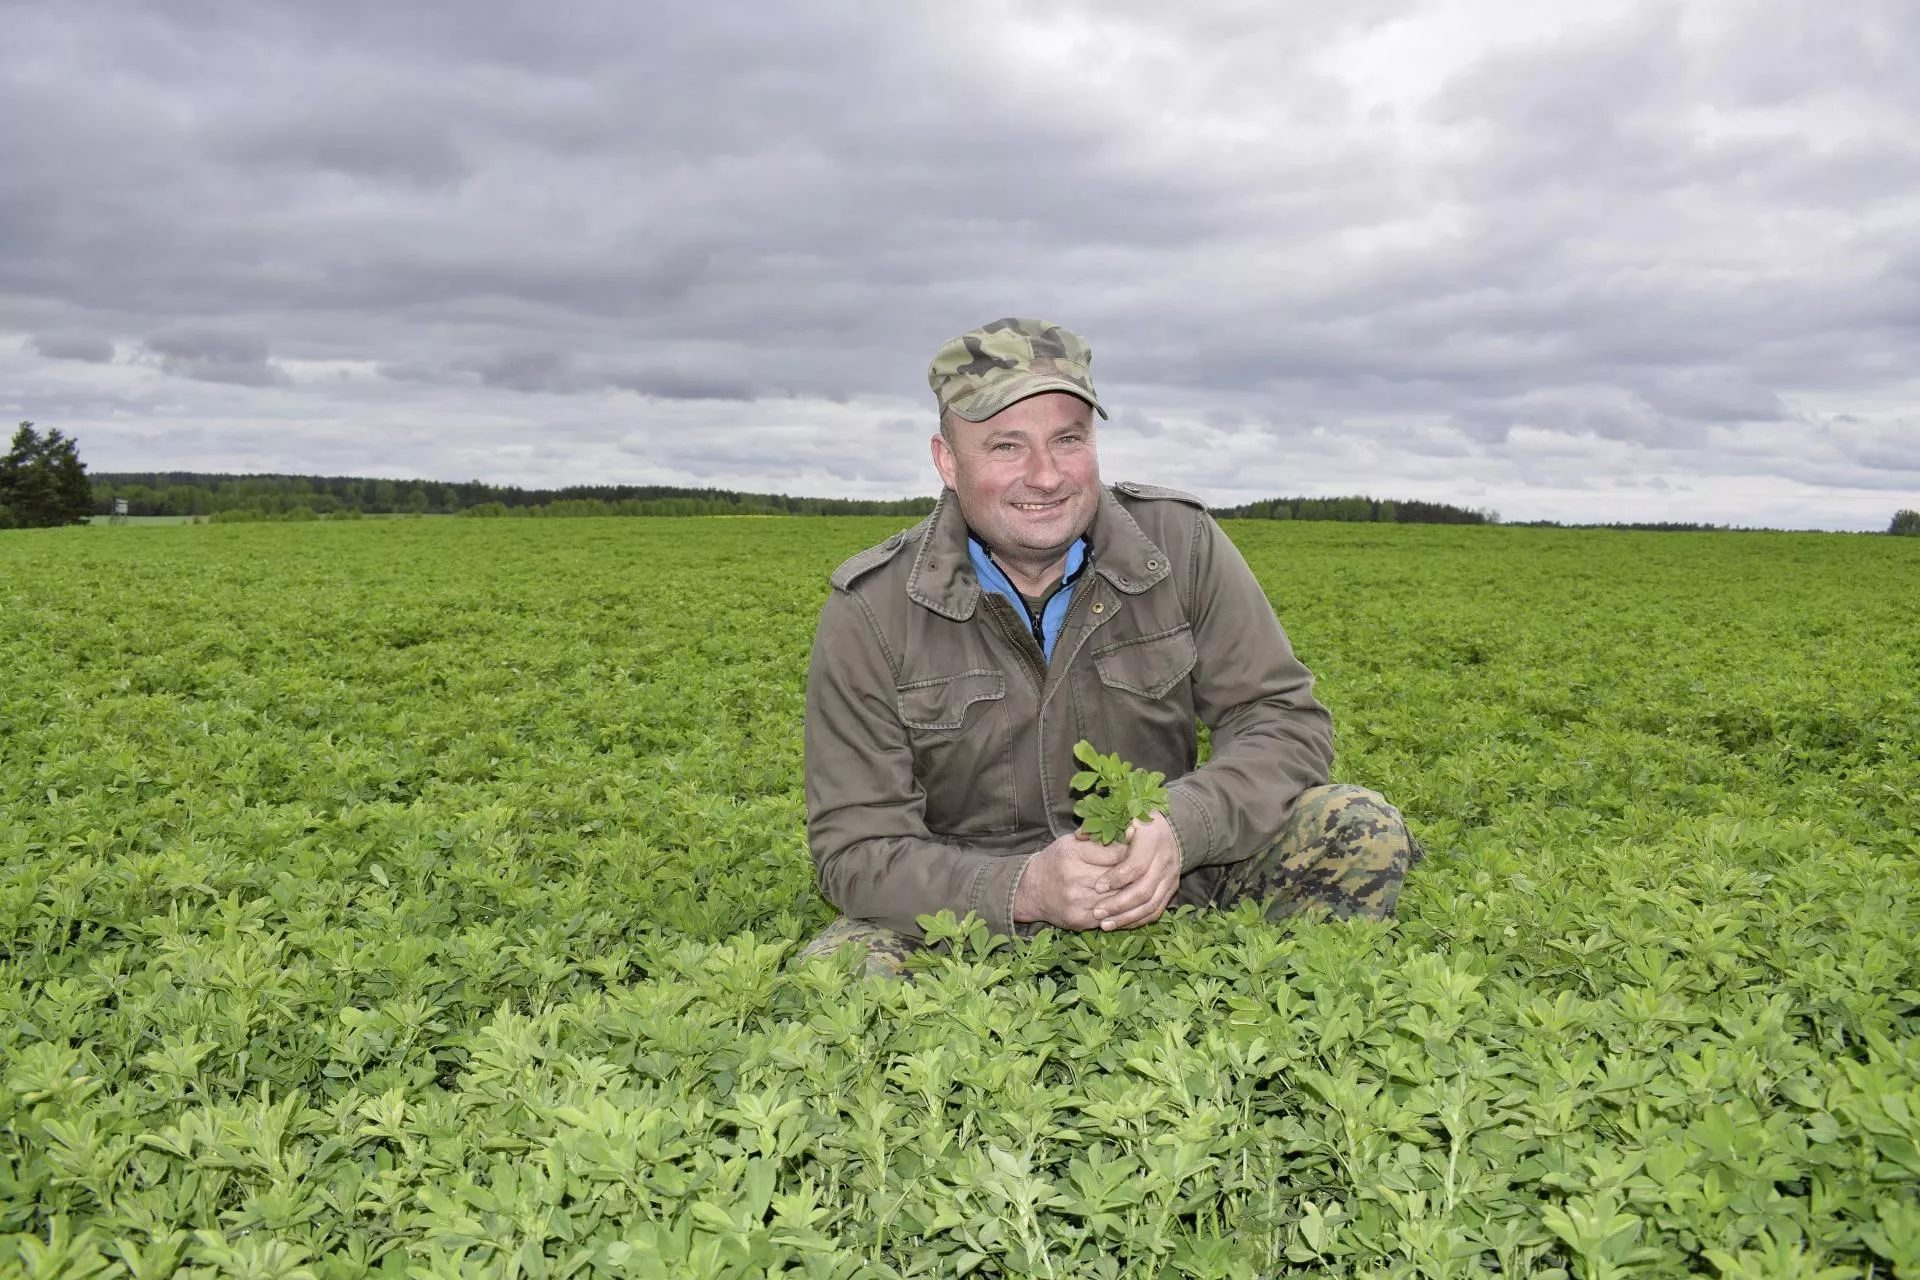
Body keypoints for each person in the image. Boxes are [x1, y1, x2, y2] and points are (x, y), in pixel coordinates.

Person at [798, 317, 1420, 977]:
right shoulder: (873, 607)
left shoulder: (1180, 546)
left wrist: (1182, 826)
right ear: (948, 462)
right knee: (840, 977)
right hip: (972, 923)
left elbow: (1283, 721)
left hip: (1174, 893)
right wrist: (1022, 888)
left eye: (1068, 438)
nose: (1045, 476)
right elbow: (856, 848)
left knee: (1356, 826)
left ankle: (1255, 1026)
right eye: (1006, 447)